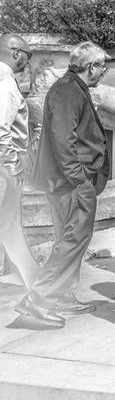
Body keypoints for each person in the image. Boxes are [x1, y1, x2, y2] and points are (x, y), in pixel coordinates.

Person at [16, 42, 110, 328]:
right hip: (71, 183)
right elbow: (63, 140)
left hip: (67, 181)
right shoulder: (68, 90)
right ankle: (39, 300)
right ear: (91, 66)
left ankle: (63, 296)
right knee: (74, 238)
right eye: (102, 66)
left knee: (67, 238)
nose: (104, 72)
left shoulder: (70, 88)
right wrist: (79, 179)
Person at [0, 34, 38, 288]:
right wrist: (14, 168)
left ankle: (35, 279)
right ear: (15, 53)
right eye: (28, 54)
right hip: (4, 169)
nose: (28, 60)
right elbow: (1, 130)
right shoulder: (6, 83)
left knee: (9, 226)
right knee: (6, 224)